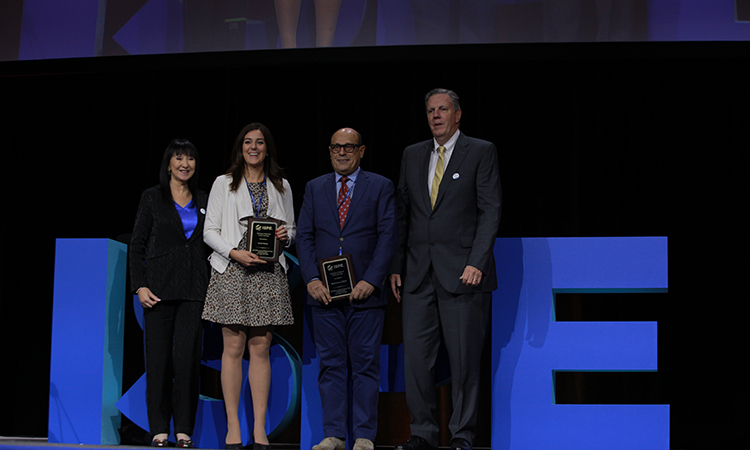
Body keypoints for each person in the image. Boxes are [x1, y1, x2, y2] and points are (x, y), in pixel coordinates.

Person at [389, 89, 502, 450]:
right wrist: (396, 265)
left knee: (464, 362)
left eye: (443, 110)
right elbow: (402, 214)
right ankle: (422, 432)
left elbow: (490, 211)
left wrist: (477, 262)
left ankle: (462, 435)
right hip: (418, 274)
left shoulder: (481, 151)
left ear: (457, 115)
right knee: (417, 362)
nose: (436, 116)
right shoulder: (412, 154)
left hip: (463, 274)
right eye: (430, 111)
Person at [297, 128, 398, 450]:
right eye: (336, 147)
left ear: (361, 150)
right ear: (329, 151)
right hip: (323, 295)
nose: (342, 153)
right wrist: (311, 279)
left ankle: (364, 436)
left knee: (366, 365)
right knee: (331, 365)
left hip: (366, 294)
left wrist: (371, 279)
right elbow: (305, 237)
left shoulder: (380, 186)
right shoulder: (315, 188)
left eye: (349, 147)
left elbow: (388, 236)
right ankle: (335, 435)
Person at [201, 123, 296, 450]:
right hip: (233, 271)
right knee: (233, 349)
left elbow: (291, 228)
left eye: (259, 143)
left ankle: (258, 431)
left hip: (268, 273)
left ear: (267, 149)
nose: (253, 147)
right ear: (240, 148)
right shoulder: (223, 184)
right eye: (247, 142)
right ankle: (233, 430)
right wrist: (234, 253)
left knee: (260, 348)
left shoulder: (281, 185)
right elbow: (209, 231)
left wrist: (286, 236)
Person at [129, 139, 210, 449]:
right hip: (158, 291)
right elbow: (137, 245)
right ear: (168, 164)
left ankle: (184, 430)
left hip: (193, 290)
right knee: (159, 362)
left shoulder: (204, 198)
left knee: (187, 361)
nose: (185, 164)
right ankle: (160, 430)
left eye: (190, 158)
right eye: (179, 158)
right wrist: (140, 286)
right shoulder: (152, 198)